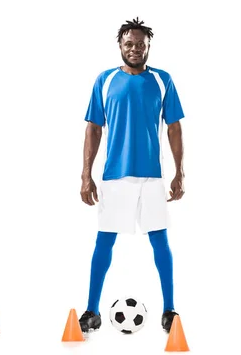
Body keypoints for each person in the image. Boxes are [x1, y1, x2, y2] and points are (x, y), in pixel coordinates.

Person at [78, 17, 186, 334]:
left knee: (160, 239)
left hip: (152, 176)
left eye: (140, 44)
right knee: (104, 239)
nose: (135, 49)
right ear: (120, 46)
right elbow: (93, 128)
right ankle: (91, 310)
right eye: (129, 44)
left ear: (148, 46)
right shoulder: (105, 80)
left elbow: (175, 127)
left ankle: (170, 310)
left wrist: (180, 172)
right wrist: (86, 175)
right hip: (114, 176)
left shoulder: (163, 80)